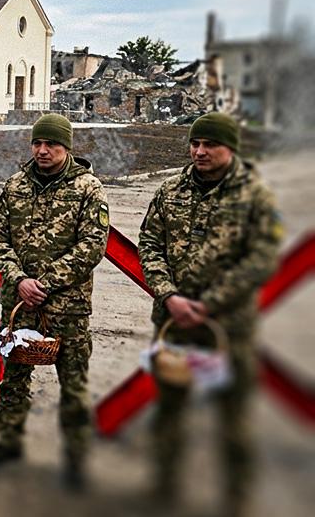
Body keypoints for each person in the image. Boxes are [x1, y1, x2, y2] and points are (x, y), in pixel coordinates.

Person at [138, 112, 280, 516]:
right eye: (195, 143)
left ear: (230, 148)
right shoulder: (170, 191)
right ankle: (163, 489)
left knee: (233, 416)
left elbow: (262, 258)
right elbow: (149, 244)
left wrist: (210, 303)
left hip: (227, 327)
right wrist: (169, 295)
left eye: (210, 145)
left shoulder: (254, 195)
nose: (199, 151)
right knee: (169, 408)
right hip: (174, 323)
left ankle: (237, 498)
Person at [0, 114, 109, 490]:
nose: (42, 150)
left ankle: (76, 459)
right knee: (13, 379)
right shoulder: (15, 185)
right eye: (37, 143)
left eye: (51, 144)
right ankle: (9, 442)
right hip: (19, 304)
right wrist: (19, 279)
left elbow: (92, 245)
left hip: (67, 307)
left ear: (66, 147)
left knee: (73, 383)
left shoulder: (88, 189)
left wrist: (46, 284)